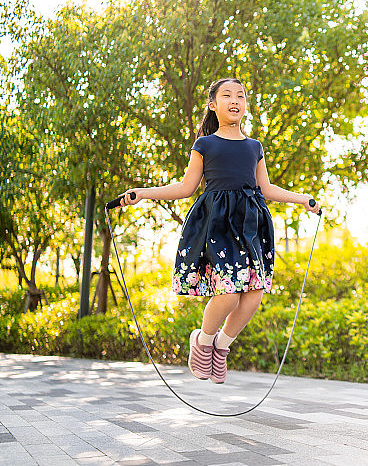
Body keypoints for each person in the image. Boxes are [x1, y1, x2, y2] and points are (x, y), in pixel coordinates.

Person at [115, 78, 321, 384]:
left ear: (245, 105)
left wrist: (302, 199)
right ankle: (203, 340)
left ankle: (221, 347)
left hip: (251, 225)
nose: (235, 100)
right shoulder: (205, 144)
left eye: (240, 96)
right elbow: (185, 188)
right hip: (219, 225)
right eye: (227, 95)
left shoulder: (254, 147)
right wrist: (143, 193)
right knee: (229, 293)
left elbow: (266, 188)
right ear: (213, 105)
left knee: (254, 295)